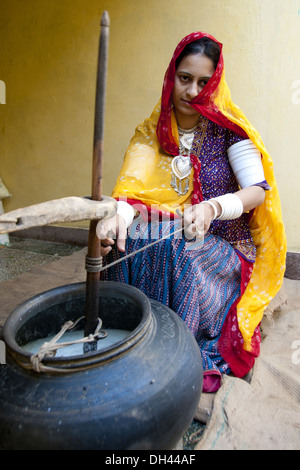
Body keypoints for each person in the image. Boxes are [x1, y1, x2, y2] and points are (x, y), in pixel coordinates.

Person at [96, 32, 286, 393]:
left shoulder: (229, 131)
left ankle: (176, 349)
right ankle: (128, 334)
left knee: (174, 248)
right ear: (172, 76)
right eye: (185, 79)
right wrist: (117, 217)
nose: (192, 91)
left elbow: (256, 193)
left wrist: (213, 207)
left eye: (203, 82)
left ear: (215, 83)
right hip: (171, 231)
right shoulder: (151, 133)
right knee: (129, 239)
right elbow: (130, 190)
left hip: (223, 245)